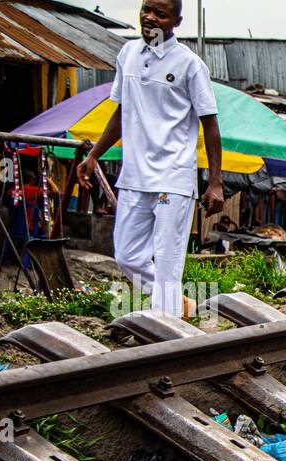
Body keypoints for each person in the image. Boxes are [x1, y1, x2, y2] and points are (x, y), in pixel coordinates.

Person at [77, 0, 223, 318]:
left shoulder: (189, 64)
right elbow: (121, 112)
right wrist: (93, 155)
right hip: (135, 176)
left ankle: (166, 337)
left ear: (176, 21)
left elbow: (210, 124)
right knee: (127, 256)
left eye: (160, 13)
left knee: (168, 264)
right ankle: (177, 306)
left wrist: (215, 182)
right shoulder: (127, 54)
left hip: (173, 177)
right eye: (146, 9)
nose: (150, 17)